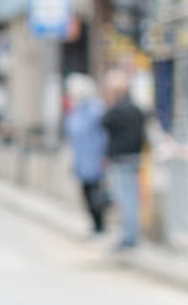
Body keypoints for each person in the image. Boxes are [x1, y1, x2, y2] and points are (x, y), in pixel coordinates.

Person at [99, 69, 149, 251]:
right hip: (135, 157)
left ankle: (129, 238)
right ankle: (130, 236)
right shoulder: (136, 109)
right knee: (131, 199)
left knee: (125, 199)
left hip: (121, 160)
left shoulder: (117, 110)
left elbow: (103, 122)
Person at [62, 73, 109, 235]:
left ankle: (100, 224)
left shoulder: (96, 109)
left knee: (96, 192)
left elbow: (104, 134)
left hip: (94, 157)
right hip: (81, 158)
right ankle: (94, 224)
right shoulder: (75, 111)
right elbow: (71, 133)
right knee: (86, 192)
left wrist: (104, 155)